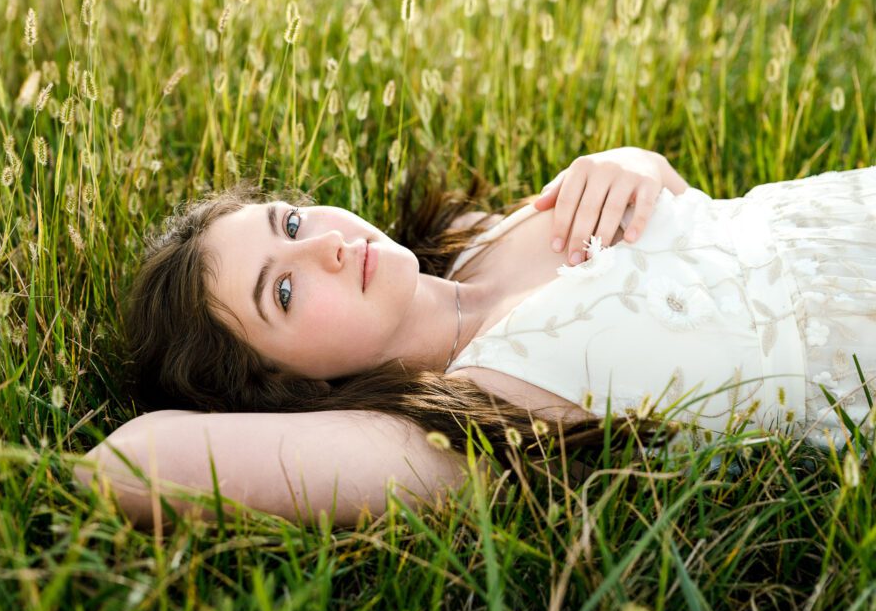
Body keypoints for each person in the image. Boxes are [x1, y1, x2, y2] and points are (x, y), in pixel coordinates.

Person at [74, 147, 876, 532]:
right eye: (283, 291)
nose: (321, 243)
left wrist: (641, 166)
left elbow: (703, 226)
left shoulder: (477, 240)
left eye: (288, 220)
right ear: (291, 388)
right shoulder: (460, 425)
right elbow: (125, 465)